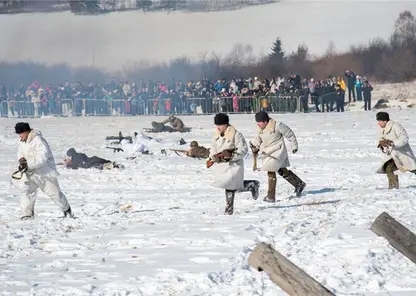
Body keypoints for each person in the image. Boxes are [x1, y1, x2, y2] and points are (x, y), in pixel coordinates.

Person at [15, 122, 73, 220]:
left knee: (55, 195)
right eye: (18, 133)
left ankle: (67, 210)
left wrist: (28, 165)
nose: (20, 135)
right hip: (30, 174)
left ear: (26, 131)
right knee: (26, 191)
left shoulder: (38, 140)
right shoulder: (22, 141)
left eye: (21, 133)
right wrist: (21, 161)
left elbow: (42, 158)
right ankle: (27, 214)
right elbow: (20, 152)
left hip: (45, 173)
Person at [208, 113, 260, 215]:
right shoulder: (216, 135)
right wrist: (213, 157)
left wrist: (231, 156)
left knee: (229, 185)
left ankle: (229, 209)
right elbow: (213, 148)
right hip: (221, 165)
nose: (218, 127)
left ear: (226, 124)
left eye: (220, 125)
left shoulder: (236, 135)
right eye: (217, 125)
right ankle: (252, 185)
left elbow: (243, 150)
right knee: (231, 184)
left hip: (234, 165)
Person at [249, 111, 306, 202]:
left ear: (265, 121)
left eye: (259, 122)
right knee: (281, 170)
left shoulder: (277, 125)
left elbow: (290, 134)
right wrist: (254, 145)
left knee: (271, 171)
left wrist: (294, 146)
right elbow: (260, 138)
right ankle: (299, 184)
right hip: (268, 152)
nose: (258, 124)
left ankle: (270, 197)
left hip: (278, 151)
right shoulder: (260, 128)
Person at [376, 112, 416, 189]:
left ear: (385, 121)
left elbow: (405, 138)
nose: (378, 123)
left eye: (380, 121)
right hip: (392, 155)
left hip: (403, 154)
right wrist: (381, 142)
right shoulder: (381, 128)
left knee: (414, 169)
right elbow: (381, 137)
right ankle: (393, 187)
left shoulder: (396, 126)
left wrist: (393, 143)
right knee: (388, 168)